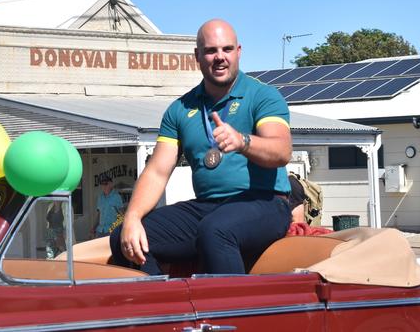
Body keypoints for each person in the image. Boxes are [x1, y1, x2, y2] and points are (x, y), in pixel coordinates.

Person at [110, 19, 293, 275]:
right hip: (208, 207)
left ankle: (231, 313)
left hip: (265, 202)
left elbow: (282, 151)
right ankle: (169, 309)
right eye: (211, 50)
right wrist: (132, 218)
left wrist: (243, 142)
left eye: (227, 49)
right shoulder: (180, 109)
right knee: (124, 236)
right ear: (197, 55)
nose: (220, 57)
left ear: (238, 52)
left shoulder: (263, 96)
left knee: (216, 230)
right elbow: (157, 172)